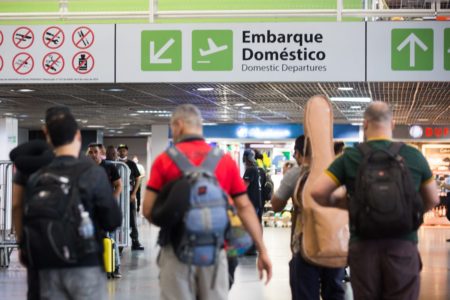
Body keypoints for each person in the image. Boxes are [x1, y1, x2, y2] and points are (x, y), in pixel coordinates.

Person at [311, 101, 439, 300]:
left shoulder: (350, 157)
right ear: (393, 123)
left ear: (365, 124)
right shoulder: (413, 155)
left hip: (363, 246)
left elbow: (318, 192)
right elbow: (433, 198)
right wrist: (408, 211)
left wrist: (348, 205)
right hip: (403, 244)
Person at [142, 104, 272, 300]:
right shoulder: (224, 160)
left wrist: (171, 216)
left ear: (178, 125)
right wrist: (262, 251)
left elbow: (147, 209)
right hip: (214, 252)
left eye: (172, 126)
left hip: (176, 251)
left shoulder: (164, 160)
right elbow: (245, 208)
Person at [13, 106, 122, 300]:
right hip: (85, 262)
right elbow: (112, 220)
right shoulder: (92, 171)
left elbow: (17, 206)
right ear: (78, 135)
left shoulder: (32, 169)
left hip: (45, 263)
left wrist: (23, 244)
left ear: (46, 133)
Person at [271, 135, 345, 300]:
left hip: (305, 246)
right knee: (335, 293)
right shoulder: (337, 171)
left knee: (304, 294)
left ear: (297, 153)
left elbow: (275, 205)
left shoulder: (296, 174)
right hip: (334, 244)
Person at [11, 140, 55, 300]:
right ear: (76, 136)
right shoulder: (83, 166)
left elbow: (16, 205)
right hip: (72, 244)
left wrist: (21, 241)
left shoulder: (27, 165)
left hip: (37, 239)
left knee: (38, 290)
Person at [87, 143, 123, 278]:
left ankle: (116, 267)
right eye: (91, 152)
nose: (93, 155)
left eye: (95, 152)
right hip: (90, 209)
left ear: (100, 152)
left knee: (111, 237)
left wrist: (112, 200)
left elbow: (119, 185)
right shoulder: (85, 168)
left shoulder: (109, 167)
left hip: (106, 208)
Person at [117, 144, 145, 250]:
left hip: (129, 194)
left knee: (132, 218)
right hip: (118, 194)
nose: (122, 152)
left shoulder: (131, 164)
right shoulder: (115, 163)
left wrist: (134, 193)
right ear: (118, 151)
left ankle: (135, 241)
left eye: (124, 150)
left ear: (127, 152)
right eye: (120, 150)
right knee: (119, 218)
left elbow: (138, 178)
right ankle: (119, 241)